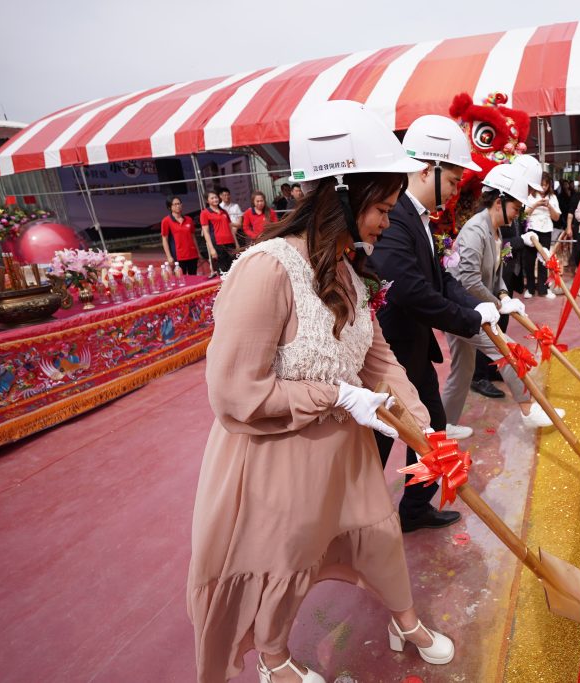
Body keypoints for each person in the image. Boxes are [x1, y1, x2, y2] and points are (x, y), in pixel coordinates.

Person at [187, 100, 454, 683]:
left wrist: (419, 425)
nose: (388, 221)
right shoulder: (265, 270)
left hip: (345, 458)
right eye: (382, 207)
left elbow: (380, 361)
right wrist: (335, 396)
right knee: (287, 562)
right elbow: (235, 393)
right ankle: (274, 658)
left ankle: (403, 619)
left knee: (378, 536)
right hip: (278, 460)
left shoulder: (349, 271)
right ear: (341, 193)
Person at [369, 114, 499, 533]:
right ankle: (360, 518)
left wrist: (477, 308)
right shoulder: (397, 218)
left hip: (412, 350)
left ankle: (413, 507)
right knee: (379, 440)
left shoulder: (417, 216)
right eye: (453, 178)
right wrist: (467, 318)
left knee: (432, 428)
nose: (455, 187)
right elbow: (408, 290)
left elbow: (440, 279)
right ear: (427, 168)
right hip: (389, 354)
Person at [448, 164, 562, 430]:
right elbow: (469, 279)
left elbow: (496, 270)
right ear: (499, 202)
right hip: (461, 310)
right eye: (516, 207)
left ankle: (446, 424)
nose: (518, 213)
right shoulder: (476, 230)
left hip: (476, 307)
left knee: (462, 371)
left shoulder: (495, 230)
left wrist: (501, 293)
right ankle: (527, 408)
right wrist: (499, 304)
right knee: (511, 351)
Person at [521, 171, 561, 298]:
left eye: (546, 185)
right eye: (541, 184)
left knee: (544, 260)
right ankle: (531, 288)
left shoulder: (553, 198)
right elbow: (523, 215)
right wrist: (536, 204)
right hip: (531, 229)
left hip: (546, 230)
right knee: (529, 260)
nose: (543, 187)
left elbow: (556, 218)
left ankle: (543, 289)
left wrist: (549, 206)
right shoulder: (529, 196)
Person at [200, 190, 238, 273]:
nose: (215, 199)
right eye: (212, 198)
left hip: (230, 243)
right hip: (218, 245)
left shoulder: (224, 212)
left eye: (216, 197)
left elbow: (230, 228)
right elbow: (206, 232)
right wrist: (212, 249)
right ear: (207, 201)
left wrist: (236, 243)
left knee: (234, 268)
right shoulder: (205, 213)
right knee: (223, 271)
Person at [161, 196, 200, 275]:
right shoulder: (166, 221)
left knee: (193, 279)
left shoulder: (189, 219)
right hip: (178, 256)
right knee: (181, 280)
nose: (178, 206)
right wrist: (169, 256)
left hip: (192, 255)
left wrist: (198, 252)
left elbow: (193, 237)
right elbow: (164, 239)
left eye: (179, 204)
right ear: (169, 207)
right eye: (175, 204)